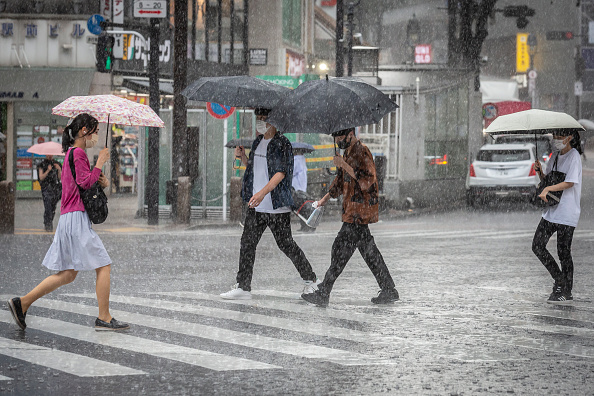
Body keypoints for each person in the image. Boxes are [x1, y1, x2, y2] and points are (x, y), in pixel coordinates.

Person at [7, 113, 129, 331]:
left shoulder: (71, 154)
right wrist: (100, 162)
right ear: (84, 131)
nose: (97, 135)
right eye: (96, 131)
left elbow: (80, 185)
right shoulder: (78, 153)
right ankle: (104, 317)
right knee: (103, 265)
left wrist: (102, 181)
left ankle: (22, 303)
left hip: (69, 218)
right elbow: (84, 183)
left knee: (68, 274)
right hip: (76, 220)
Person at [220, 108, 319, 300]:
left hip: (275, 205)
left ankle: (311, 280)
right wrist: (243, 158)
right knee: (247, 244)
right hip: (257, 205)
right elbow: (257, 168)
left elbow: (280, 173)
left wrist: (261, 193)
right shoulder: (258, 142)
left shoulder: (282, 143)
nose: (260, 122)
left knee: (286, 244)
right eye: (258, 118)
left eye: (264, 119)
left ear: (273, 121)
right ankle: (243, 286)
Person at [301, 128, 398, 307]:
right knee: (369, 253)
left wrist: (344, 165)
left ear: (350, 134)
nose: (338, 140)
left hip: (359, 212)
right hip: (351, 212)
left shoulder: (362, 151)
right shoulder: (347, 153)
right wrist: (323, 200)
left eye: (340, 136)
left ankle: (324, 292)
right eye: (336, 137)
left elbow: (368, 180)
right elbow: (339, 182)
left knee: (340, 250)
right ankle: (389, 289)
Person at [532, 129, 583, 305]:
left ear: (569, 138)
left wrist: (547, 189)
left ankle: (566, 291)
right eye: (554, 137)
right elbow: (550, 181)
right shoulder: (554, 156)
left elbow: (570, 182)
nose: (556, 140)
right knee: (537, 246)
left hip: (567, 212)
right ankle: (560, 280)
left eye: (559, 137)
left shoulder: (574, 156)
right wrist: (540, 173)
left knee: (563, 252)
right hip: (551, 210)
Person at [37, 154, 62, 232]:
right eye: (48, 154)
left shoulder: (57, 164)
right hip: (46, 188)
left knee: (53, 207)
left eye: (51, 154)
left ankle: (48, 221)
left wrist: (59, 170)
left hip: (55, 188)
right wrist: (48, 170)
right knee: (48, 206)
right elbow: (41, 177)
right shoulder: (42, 164)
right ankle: (48, 224)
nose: (50, 156)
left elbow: (60, 178)